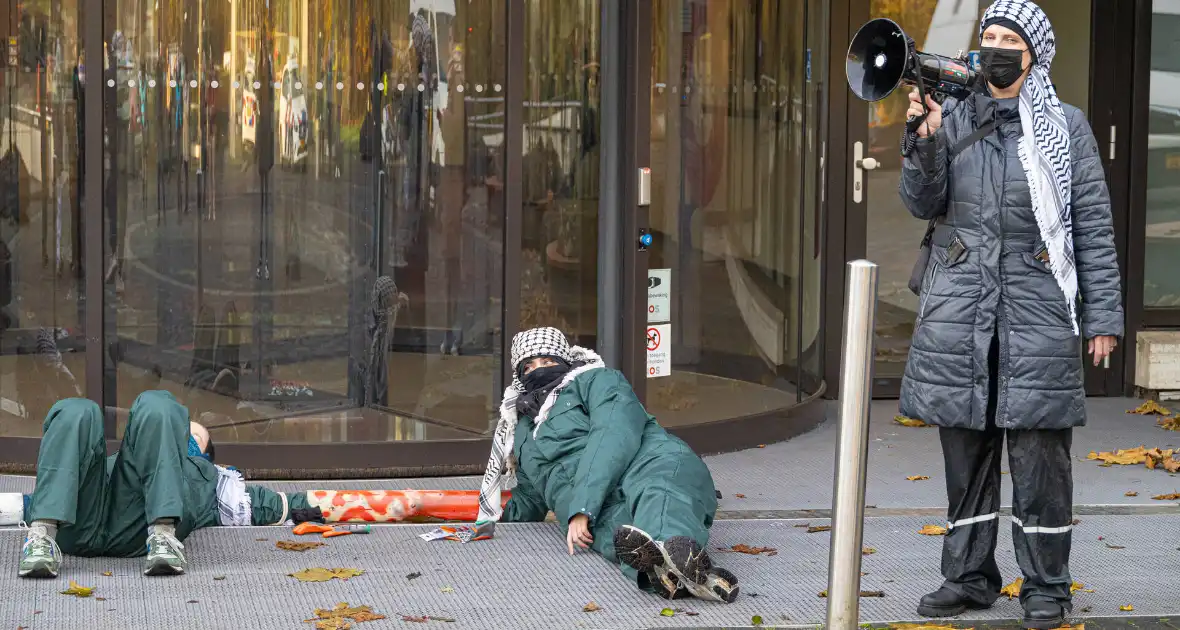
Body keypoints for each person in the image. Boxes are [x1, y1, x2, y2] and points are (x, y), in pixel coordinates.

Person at [897, 1, 1122, 627]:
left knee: (1040, 461)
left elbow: (1092, 229)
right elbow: (922, 203)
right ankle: (968, 579)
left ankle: (1046, 587)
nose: (993, 45)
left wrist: (1102, 316)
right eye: (987, 34)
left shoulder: (1066, 127)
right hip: (961, 311)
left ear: (1033, 54)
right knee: (965, 456)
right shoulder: (952, 115)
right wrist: (922, 141)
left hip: (1038, 313)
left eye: (1007, 37)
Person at [474, 327, 739, 603]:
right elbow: (530, 496)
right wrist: (484, 517)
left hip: (646, 462)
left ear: (565, 360)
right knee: (625, 536)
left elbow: (613, 434)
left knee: (659, 494)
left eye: (547, 361)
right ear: (520, 375)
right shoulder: (523, 431)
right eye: (528, 366)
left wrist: (581, 509)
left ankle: (676, 553)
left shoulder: (598, 380)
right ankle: (670, 571)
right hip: (598, 511)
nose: (538, 370)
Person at [5, 391, 318, 579]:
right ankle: (42, 538)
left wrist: (354, 503)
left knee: (159, 404)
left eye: (195, 437)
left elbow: (276, 504)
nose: (189, 437)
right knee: (77, 409)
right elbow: (38, 496)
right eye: (187, 433)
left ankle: (164, 536)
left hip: (140, 530)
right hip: (78, 522)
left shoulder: (217, 483)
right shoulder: (125, 459)